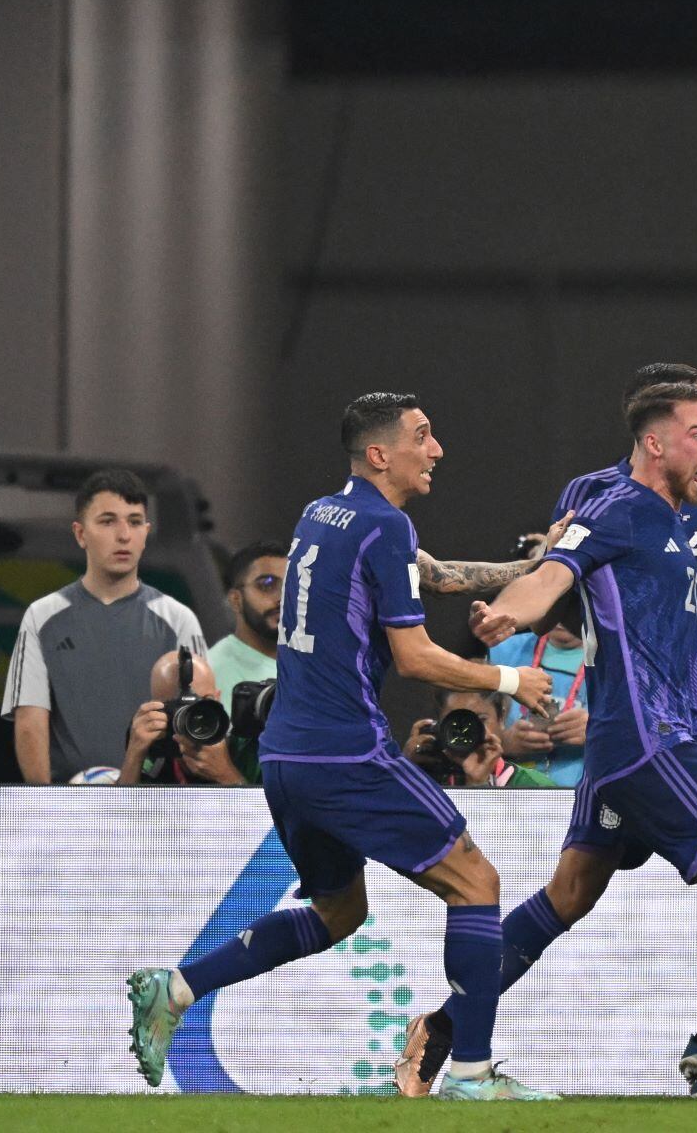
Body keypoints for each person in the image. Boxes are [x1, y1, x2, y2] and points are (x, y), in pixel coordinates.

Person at [411, 381, 697, 1100]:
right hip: (647, 733)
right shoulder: (608, 504)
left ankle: (447, 1026)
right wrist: (508, 617)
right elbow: (553, 573)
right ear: (656, 442)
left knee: (573, 892)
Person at [125, 393, 557, 1101]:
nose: (438, 449)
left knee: (338, 913)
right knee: (477, 884)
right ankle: (473, 1074)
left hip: (288, 758)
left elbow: (440, 576)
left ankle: (174, 990)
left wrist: (533, 568)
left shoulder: (323, 515)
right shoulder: (384, 525)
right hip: (346, 753)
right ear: (381, 453)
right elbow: (415, 658)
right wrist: (509, 675)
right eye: (424, 435)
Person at [1, 469, 204, 784]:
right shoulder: (42, 617)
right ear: (80, 534)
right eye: (108, 521)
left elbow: (200, 723)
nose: (124, 535)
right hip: (69, 812)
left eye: (135, 522)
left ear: (146, 532)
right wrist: (43, 810)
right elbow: (30, 722)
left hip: (158, 810)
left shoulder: (178, 619)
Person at [119, 649, 260, 785]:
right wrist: (134, 756)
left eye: (203, 702)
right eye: (175, 705)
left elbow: (270, 809)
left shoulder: (246, 750)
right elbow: (119, 808)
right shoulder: (154, 751)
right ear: (154, 708)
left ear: (217, 698)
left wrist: (225, 773)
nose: (191, 716)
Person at [488, 617, 588, 787]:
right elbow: (465, 721)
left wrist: (598, 730)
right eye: (556, 605)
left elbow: (644, 736)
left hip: (582, 795)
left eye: (570, 606)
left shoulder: (620, 661)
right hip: (509, 792)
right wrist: (502, 742)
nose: (561, 617)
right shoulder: (501, 651)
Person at [405, 688, 558, 788]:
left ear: (501, 717)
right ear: (439, 725)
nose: (468, 731)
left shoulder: (534, 787)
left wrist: (479, 785)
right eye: (456, 723)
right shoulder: (421, 782)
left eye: (480, 720)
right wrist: (402, 769)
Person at [206, 541, 287, 703]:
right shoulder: (213, 671)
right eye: (267, 585)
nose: (282, 598)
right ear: (236, 600)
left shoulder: (314, 661)